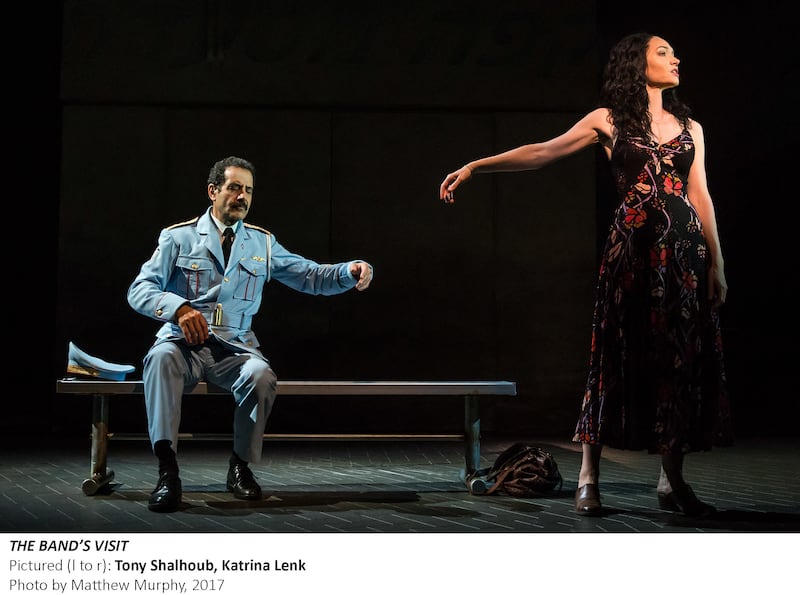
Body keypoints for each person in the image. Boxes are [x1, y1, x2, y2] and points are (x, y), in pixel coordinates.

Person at [439, 33, 732, 517]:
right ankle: (588, 476)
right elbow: (543, 152)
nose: (676, 58)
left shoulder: (690, 128)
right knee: (613, 357)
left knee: (678, 362)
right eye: (663, 52)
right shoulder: (608, 120)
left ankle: (672, 478)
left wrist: (717, 263)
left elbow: (700, 195)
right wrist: (476, 166)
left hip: (684, 259)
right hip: (630, 256)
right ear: (636, 63)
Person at [128, 155, 374, 512]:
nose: (242, 196)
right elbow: (140, 289)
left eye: (248, 190)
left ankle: (240, 467)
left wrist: (350, 271)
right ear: (213, 191)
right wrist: (178, 308)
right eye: (234, 188)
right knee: (160, 359)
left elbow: (309, 275)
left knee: (261, 375)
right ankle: (168, 472)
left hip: (234, 348)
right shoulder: (178, 237)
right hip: (184, 345)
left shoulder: (262, 244)